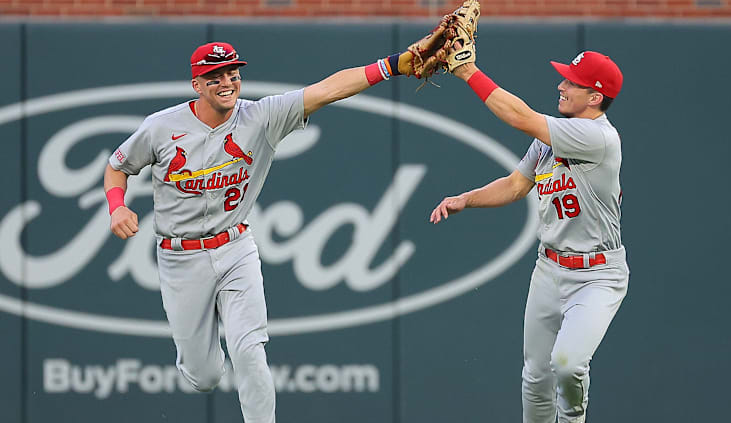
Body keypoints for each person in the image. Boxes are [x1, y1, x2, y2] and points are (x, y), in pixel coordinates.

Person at [103, 38, 447, 423]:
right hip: (180, 257)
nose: (227, 82)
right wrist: (117, 207)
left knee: (249, 350)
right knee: (204, 377)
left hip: (235, 247)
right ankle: (201, 363)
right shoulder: (161, 127)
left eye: (232, 74)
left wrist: (395, 64)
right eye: (214, 77)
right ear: (196, 85)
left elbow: (328, 89)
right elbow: (118, 166)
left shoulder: (261, 116)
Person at [429, 51, 628, 423]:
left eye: (572, 82)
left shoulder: (596, 137)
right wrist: (465, 200)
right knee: (536, 377)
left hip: (597, 276)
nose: (561, 85)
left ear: (595, 97)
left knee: (566, 364)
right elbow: (516, 185)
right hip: (550, 269)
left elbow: (518, 116)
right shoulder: (553, 138)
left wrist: (469, 71)